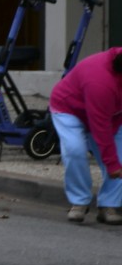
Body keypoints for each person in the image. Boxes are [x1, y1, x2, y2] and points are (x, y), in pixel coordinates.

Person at [48, 45, 122, 223]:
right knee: (75, 150)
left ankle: (109, 205)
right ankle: (79, 201)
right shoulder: (101, 82)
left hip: (113, 114)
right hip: (69, 109)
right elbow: (100, 126)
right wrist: (112, 164)